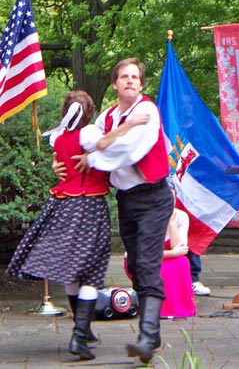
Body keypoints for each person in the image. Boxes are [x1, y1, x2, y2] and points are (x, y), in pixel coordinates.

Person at [6, 90, 147, 361]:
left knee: (73, 272)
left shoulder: (59, 137)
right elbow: (106, 144)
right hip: (88, 207)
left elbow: (60, 159)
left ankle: (82, 329)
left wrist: (55, 164)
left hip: (60, 206)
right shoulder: (89, 134)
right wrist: (132, 124)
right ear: (90, 113)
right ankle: (79, 337)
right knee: (92, 272)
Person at [65, 58, 173, 364]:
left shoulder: (147, 111)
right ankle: (153, 335)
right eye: (124, 77)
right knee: (137, 265)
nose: (129, 81)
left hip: (154, 197)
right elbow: (85, 138)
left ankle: (147, 337)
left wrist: (98, 150)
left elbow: (126, 150)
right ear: (115, 84)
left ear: (141, 83)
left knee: (149, 265)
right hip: (126, 200)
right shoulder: (110, 115)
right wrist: (93, 147)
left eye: (135, 77)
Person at [123, 180, 196, 318]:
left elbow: (179, 248)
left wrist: (172, 222)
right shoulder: (145, 216)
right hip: (143, 260)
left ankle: (177, 307)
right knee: (159, 269)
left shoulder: (181, 216)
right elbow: (142, 253)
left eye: (172, 198)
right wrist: (172, 253)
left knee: (182, 262)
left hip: (164, 256)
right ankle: (156, 309)